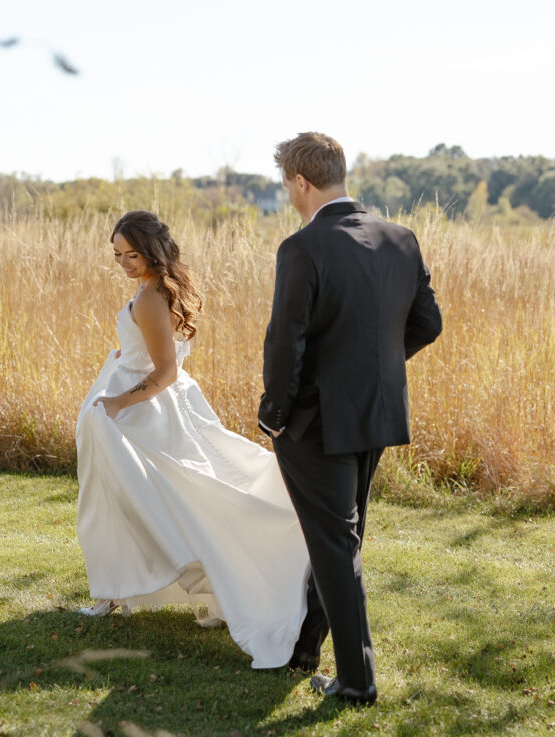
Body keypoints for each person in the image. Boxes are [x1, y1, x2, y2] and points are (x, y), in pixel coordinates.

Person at [74, 210, 310, 669]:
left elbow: (165, 372)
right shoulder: (159, 291)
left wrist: (119, 403)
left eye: (131, 254)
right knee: (144, 501)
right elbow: (151, 352)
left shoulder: (150, 299)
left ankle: (123, 592)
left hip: (144, 414)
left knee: (144, 503)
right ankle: (115, 591)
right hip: (158, 406)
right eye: (117, 255)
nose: (122, 262)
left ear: (152, 251)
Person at [259, 133, 443, 704]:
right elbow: (427, 324)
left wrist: (274, 417)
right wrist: (375, 370)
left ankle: (358, 680)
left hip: (316, 423)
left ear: (300, 182)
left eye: (287, 185)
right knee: (339, 536)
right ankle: (306, 648)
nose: (289, 195)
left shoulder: (303, 247)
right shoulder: (400, 239)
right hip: (377, 413)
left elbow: (284, 343)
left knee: (336, 543)